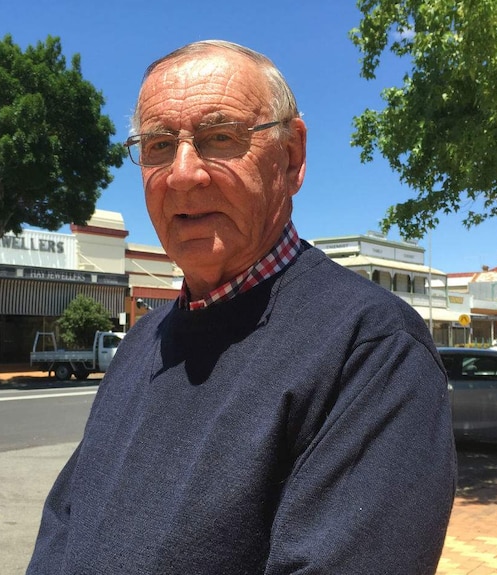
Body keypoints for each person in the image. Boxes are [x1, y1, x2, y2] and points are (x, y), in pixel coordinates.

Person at [27, 40, 456, 575]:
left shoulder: (371, 348)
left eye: (219, 138)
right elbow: (65, 525)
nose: (183, 174)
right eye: (159, 145)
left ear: (292, 156)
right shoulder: (144, 340)